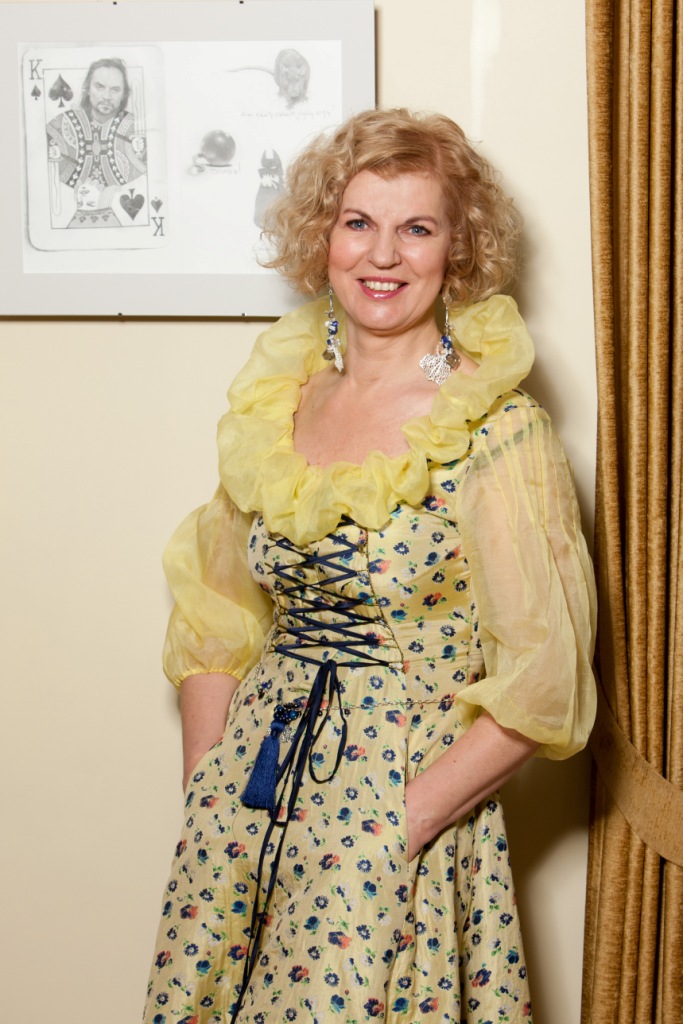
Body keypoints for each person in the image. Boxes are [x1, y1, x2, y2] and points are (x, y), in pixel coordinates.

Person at [142, 108, 597, 1024]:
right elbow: (216, 605)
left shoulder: (495, 427)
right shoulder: (278, 401)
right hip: (251, 795)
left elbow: (542, 679)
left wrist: (400, 824)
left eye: (416, 227)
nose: (382, 254)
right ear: (323, 235)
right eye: (358, 222)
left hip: (398, 803)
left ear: (455, 249)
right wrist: (208, 781)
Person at [46, 58, 146, 209]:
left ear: (124, 94)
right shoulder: (59, 125)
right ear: (87, 89)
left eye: (115, 89)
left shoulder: (137, 128)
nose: (107, 96)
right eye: (99, 87)